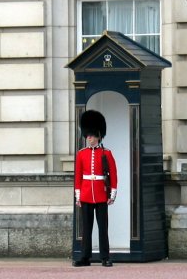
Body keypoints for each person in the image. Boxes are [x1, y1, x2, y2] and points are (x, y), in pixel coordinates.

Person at [73, 110, 118, 267]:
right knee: (86, 228)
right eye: (88, 135)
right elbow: (78, 176)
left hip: (101, 194)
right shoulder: (81, 154)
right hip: (86, 194)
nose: (89, 138)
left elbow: (113, 175)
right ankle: (85, 256)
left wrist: (112, 194)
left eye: (92, 135)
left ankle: (105, 257)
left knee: (103, 228)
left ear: (98, 135)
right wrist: (78, 195)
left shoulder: (107, 153)